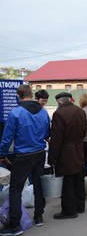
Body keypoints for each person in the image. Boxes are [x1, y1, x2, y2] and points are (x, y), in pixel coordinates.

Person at [0, 85, 50, 235]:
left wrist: (2, 154)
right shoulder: (44, 112)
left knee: (16, 189)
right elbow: (47, 133)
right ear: (32, 94)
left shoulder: (16, 113)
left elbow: (7, 137)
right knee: (38, 184)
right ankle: (39, 216)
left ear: (17, 95)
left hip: (22, 155)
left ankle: (14, 225)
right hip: (40, 152)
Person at [48, 92, 86, 219]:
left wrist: (52, 158)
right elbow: (84, 131)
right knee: (79, 179)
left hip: (66, 152)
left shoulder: (58, 114)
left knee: (67, 182)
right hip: (79, 148)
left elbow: (56, 139)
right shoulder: (80, 111)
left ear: (59, 102)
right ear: (70, 100)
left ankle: (69, 211)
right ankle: (80, 206)